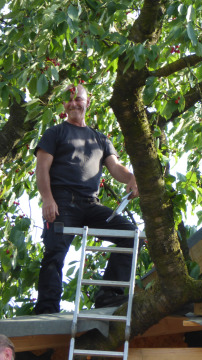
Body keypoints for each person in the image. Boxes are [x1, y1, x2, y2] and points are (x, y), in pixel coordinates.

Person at [34, 83, 139, 315]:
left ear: (87, 102)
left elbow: (115, 168)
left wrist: (132, 178)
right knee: (54, 254)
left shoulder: (100, 139)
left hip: (91, 205)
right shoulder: (55, 133)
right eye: (69, 100)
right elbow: (42, 168)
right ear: (64, 104)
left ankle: (108, 295)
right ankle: (47, 310)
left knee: (131, 235)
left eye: (78, 99)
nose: (74, 104)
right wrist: (47, 198)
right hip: (62, 203)